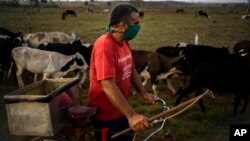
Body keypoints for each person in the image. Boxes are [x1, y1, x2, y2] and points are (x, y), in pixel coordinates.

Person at [87, 4, 159, 141]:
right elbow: (107, 84)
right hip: (106, 115)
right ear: (122, 25)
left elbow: (130, 69)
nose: (138, 26)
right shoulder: (104, 46)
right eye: (135, 22)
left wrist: (144, 93)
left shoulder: (124, 42)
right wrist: (132, 116)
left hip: (122, 108)